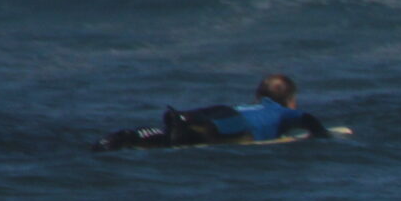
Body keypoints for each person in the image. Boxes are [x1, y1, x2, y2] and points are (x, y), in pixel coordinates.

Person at [92, 74, 331, 150]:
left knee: (182, 130)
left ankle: (127, 136)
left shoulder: (249, 104)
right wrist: (322, 135)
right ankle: (178, 127)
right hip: (240, 125)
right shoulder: (282, 113)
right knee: (201, 136)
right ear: (291, 99)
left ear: (259, 96)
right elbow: (307, 119)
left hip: (223, 111)